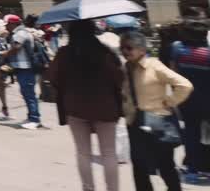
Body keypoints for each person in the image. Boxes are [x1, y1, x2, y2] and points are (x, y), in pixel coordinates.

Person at [46, 20, 124, 191]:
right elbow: (119, 79)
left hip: (75, 106)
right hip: (105, 106)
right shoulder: (105, 53)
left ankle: (88, 188)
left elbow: (53, 77)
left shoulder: (64, 53)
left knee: (83, 153)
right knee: (109, 153)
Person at [121, 29, 192, 191]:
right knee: (139, 167)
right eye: (122, 48)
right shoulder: (126, 68)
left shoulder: (154, 66)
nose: (125, 51)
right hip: (135, 123)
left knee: (165, 166)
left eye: (129, 47)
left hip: (158, 124)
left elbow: (185, 85)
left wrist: (170, 101)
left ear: (142, 49)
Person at [170, 21, 210, 185]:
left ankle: (192, 170)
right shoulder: (207, 53)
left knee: (191, 135)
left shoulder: (177, 48)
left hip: (187, 101)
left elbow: (173, 74)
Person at [5, 14, 46, 129]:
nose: (7, 27)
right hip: (23, 67)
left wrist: (5, 54)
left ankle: (35, 119)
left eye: (8, 24)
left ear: (13, 24)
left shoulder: (20, 33)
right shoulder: (22, 32)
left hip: (26, 67)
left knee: (29, 93)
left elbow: (16, 48)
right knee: (27, 93)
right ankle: (31, 116)